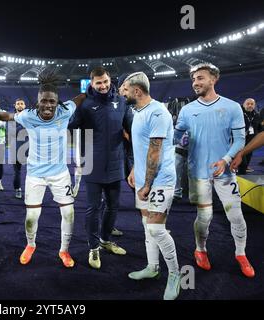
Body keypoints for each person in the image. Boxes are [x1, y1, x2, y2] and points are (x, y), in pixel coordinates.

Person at [0, 73, 86, 268]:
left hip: (60, 175)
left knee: (69, 213)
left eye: (52, 101)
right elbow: (5, 116)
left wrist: (90, 90)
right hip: (35, 175)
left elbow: (80, 98)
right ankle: (30, 245)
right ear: (37, 101)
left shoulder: (65, 110)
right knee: (32, 216)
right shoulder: (28, 115)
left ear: (57, 102)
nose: (48, 105)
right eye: (44, 101)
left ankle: (64, 250)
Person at [175, 63, 254, 278]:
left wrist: (225, 159)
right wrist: (180, 139)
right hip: (198, 174)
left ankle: (241, 254)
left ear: (213, 79)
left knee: (236, 215)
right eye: (193, 80)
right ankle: (200, 250)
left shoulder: (231, 107)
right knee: (205, 216)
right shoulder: (187, 110)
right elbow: (178, 138)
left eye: (200, 78)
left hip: (225, 172)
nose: (195, 83)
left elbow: (239, 140)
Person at [123, 72, 181, 300]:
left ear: (137, 91)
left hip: (160, 180)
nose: (124, 93)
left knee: (157, 228)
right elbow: (141, 147)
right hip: (143, 177)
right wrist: (134, 170)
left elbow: (155, 150)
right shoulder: (138, 112)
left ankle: (175, 275)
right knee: (147, 226)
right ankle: (153, 268)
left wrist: (146, 183)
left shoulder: (157, 112)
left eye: (126, 89)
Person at [68, 67, 132, 269]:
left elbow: (131, 129)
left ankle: (105, 239)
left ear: (109, 79)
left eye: (105, 81)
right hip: (93, 164)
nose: (103, 86)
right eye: (98, 83)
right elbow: (71, 128)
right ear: (91, 84)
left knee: (113, 206)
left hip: (116, 163)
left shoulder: (121, 101)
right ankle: (93, 247)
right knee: (93, 208)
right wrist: (73, 108)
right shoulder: (85, 104)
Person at [7, 98, 28, 199]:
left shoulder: (30, 117)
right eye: (18, 104)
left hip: (30, 148)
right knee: (17, 171)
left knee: (33, 172)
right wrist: (25, 125)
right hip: (16, 148)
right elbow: (11, 133)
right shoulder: (11, 117)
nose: (20, 105)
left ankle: (31, 190)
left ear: (25, 106)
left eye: (22, 103)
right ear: (15, 106)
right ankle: (18, 189)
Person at [238, 98, 261, 174]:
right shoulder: (238, 113)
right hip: (239, 140)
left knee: (248, 158)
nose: (250, 105)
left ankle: (243, 170)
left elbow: (260, 128)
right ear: (244, 104)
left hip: (251, 140)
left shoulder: (256, 115)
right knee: (242, 161)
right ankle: (241, 171)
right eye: (248, 104)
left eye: (252, 104)